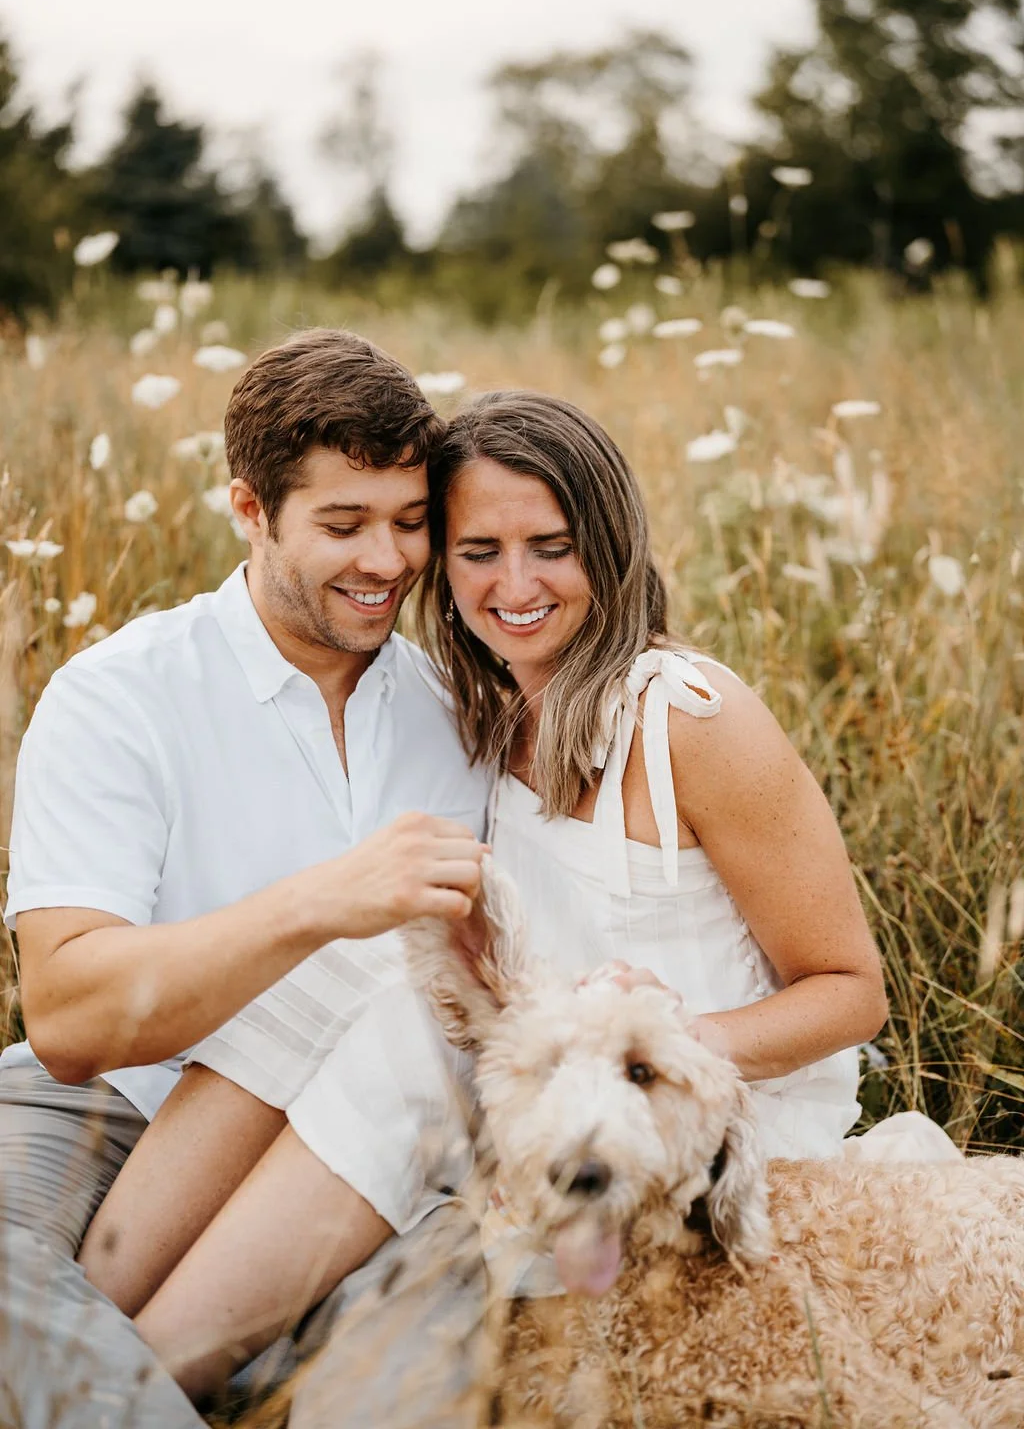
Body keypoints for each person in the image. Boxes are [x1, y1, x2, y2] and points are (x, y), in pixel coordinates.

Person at [81, 389, 935, 1418]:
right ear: (441, 565)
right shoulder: (484, 715)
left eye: (551, 546)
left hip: (681, 1123)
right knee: (351, 960)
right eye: (478, 550)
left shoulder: (690, 721)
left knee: (399, 1032)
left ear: (609, 548)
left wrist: (653, 1046)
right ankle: (99, 1318)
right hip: (548, 1103)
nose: (514, 584)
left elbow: (850, 993)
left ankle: (136, 1380)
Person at [0, 327, 491, 1427]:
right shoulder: (121, 694)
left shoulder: (466, 712)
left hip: (348, 1139)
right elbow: (72, 1018)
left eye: (411, 523)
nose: (386, 561)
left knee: (439, 1324)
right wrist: (325, 901)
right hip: (108, 1104)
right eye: (343, 524)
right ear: (249, 510)